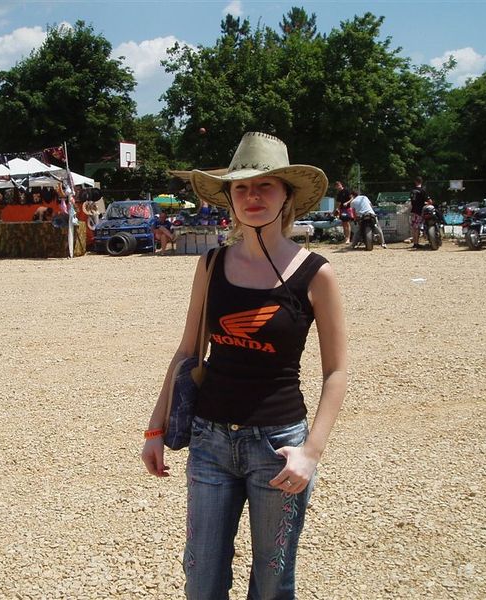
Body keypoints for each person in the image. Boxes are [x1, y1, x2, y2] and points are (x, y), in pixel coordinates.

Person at [141, 132, 347, 599]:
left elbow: (336, 371)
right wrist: (156, 429)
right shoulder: (211, 264)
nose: (253, 196)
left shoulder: (316, 273)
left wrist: (311, 452)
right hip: (209, 441)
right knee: (201, 575)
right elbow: (187, 352)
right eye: (242, 187)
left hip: (279, 446)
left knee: (273, 579)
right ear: (230, 197)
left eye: (265, 185)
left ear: (286, 195)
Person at [409, 176, 429, 249]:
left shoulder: (412, 191)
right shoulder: (422, 190)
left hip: (413, 210)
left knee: (414, 227)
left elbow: (412, 201)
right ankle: (416, 244)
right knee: (417, 228)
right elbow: (428, 200)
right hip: (419, 211)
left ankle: (415, 243)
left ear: (415, 182)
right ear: (421, 182)